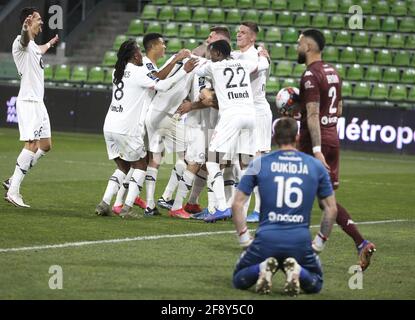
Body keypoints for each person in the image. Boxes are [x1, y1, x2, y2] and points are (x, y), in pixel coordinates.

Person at [296, 29, 376, 271]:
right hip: (333, 139)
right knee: (326, 202)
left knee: (296, 192)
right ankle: (360, 242)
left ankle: (304, 251)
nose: (297, 47)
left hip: (315, 144)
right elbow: (338, 109)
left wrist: (316, 149)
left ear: (309, 47)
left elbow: (312, 114)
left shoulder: (310, 75)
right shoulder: (333, 72)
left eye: (300, 43)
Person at [232, 117, 338, 296]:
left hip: (265, 240)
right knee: (316, 282)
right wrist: (319, 243)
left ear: (274, 137)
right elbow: (331, 209)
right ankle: (297, 270)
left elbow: (237, 204)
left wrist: (244, 238)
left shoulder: (258, 164)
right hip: (300, 242)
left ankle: (262, 267)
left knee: (239, 278)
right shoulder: (315, 166)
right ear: (297, 137)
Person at [95, 39, 197, 218]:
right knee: (141, 165)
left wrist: (173, 62)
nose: (142, 55)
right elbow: (163, 85)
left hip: (109, 126)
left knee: (124, 167)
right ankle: (127, 209)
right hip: (126, 128)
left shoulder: (117, 71)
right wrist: (184, 71)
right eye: (139, 52)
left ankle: (104, 203)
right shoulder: (137, 72)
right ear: (135, 56)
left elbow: (157, 76)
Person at [196, 40, 269, 223]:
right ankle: (241, 210)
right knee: (246, 163)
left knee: (212, 161)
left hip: (231, 116)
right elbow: (264, 64)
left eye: (212, 53)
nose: (210, 56)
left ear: (219, 54)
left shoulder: (213, 67)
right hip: (250, 116)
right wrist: (261, 52)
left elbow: (197, 69)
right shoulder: (244, 64)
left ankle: (221, 207)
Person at [4, 7, 59, 208]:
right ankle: (13, 191)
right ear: (27, 22)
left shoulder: (35, 47)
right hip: (28, 101)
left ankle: (13, 179)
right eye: (38, 19)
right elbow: (24, 40)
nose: (42, 23)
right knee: (32, 144)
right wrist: (25, 29)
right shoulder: (21, 43)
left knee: (45, 145)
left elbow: (38, 48)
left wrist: (50, 44)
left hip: (39, 103)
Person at [233, 22, 273, 223]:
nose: (238, 35)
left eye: (243, 33)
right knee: (245, 162)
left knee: (256, 161)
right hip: (246, 113)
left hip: (258, 112)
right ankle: (247, 207)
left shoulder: (253, 57)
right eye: (238, 32)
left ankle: (260, 209)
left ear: (253, 37)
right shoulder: (243, 55)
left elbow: (255, 68)